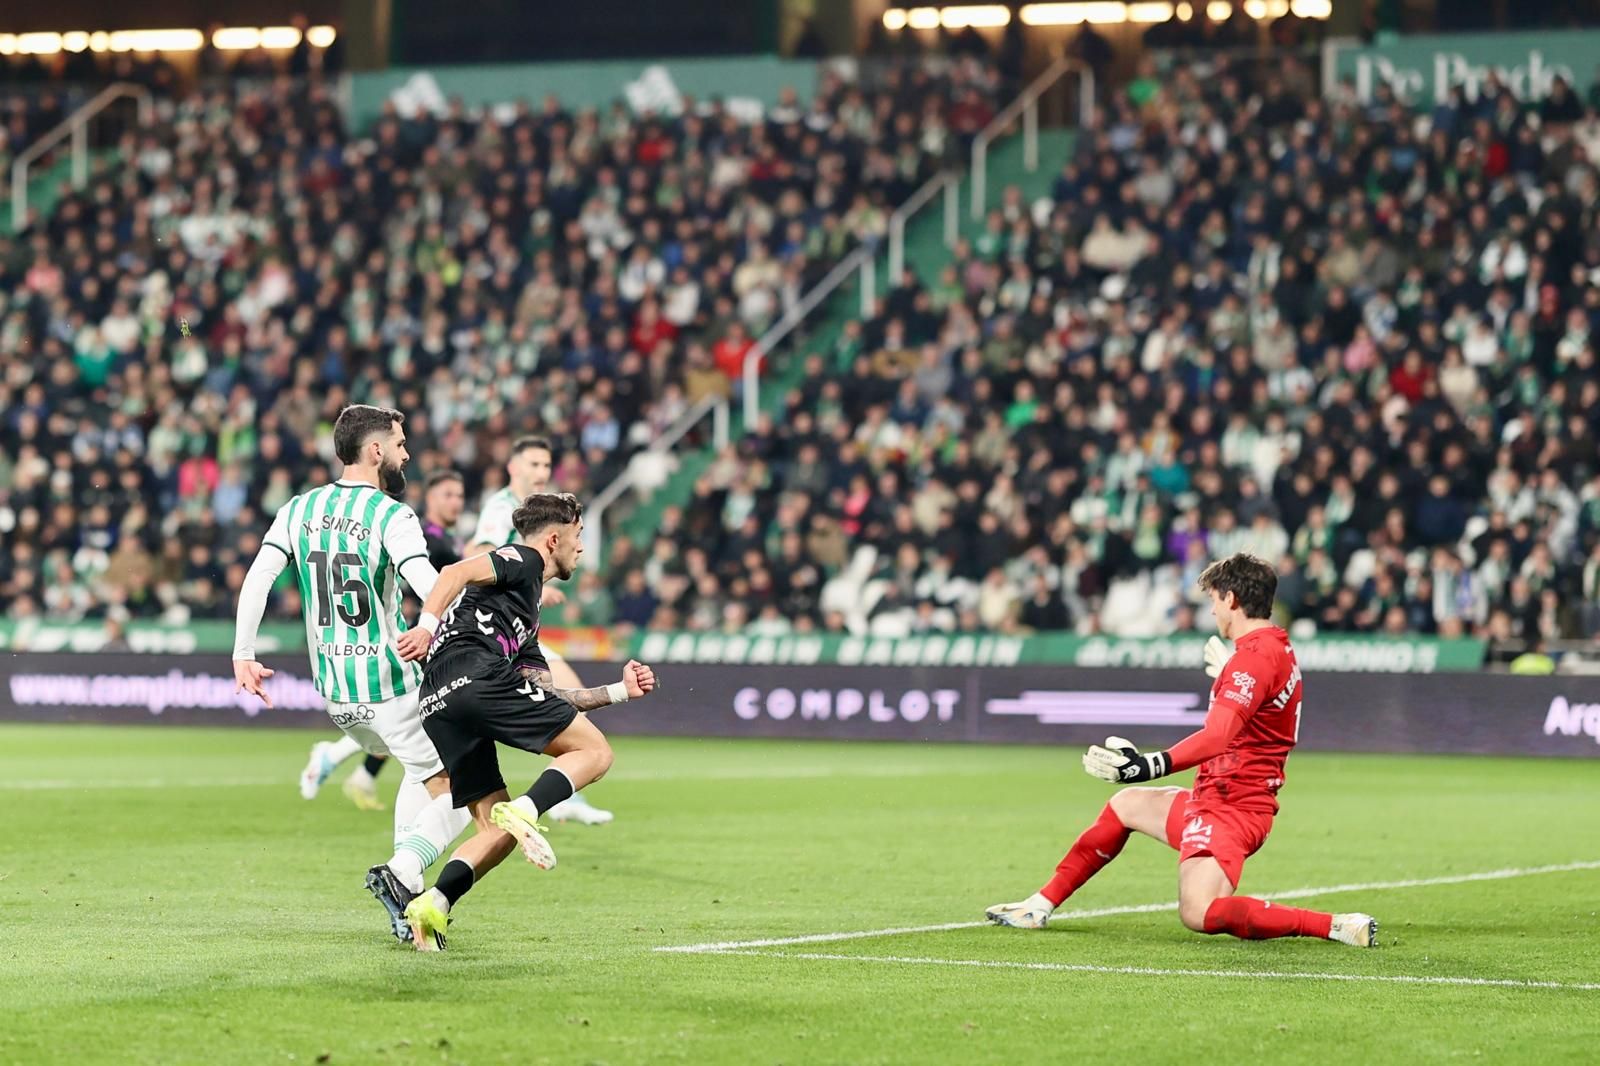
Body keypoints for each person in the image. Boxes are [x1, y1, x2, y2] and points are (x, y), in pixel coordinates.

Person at [985, 553, 1378, 948]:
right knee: (1126, 806)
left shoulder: (1253, 661)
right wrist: (1231, 671)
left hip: (1232, 807)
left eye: (1213, 600)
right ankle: (1038, 905)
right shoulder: (1273, 648)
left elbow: (1217, 736)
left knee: (1199, 912)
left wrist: (1149, 764)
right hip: (1220, 797)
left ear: (1232, 599)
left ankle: (1333, 924)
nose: (1211, 610)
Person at [232, 405, 472, 942]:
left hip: (337, 697)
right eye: (401, 443)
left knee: (416, 772)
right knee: (465, 787)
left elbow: (259, 576)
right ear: (376, 450)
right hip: (390, 684)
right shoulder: (394, 515)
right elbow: (423, 579)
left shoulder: (298, 509)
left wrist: (242, 653)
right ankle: (403, 876)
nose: (407, 454)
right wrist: (444, 620)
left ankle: (408, 904)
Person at [394, 493, 657, 950]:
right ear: (554, 538)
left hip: (438, 700)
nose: (580, 549)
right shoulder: (524, 559)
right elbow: (455, 572)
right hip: (476, 676)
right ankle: (527, 810)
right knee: (596, 752)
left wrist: (619, 692)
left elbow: (550, 696)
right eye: (577, 537)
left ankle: (433, 903)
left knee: (496, 834)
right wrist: (426, 626)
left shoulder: (523, 614)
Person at [299, 468, 471, 810]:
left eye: (460, 496)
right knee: (423, 714)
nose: (456, 502)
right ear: (430, 499)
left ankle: (349, 767)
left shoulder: (447, 540)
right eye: (447, 495)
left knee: (418, 717)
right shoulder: (422, 535)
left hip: (426, 633)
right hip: (410, 634)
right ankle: (341, 761)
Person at [465, 436, 615, 826]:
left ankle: (560, 791)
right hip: (489, 632)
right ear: (513, 468)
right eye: (533, 465)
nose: (541, 473)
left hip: (512, 631)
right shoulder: (501, 509)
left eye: (546, 466)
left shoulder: (532, 513)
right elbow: (475, 553)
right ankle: (564, 788)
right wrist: (523, 582)